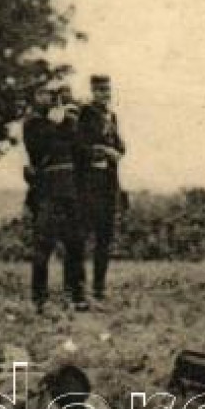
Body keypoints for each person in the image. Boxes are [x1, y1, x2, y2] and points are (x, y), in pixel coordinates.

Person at [21, 85, 86, 311]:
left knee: (75, 243)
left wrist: (72, 119)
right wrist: (66, 120)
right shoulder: (33, 124)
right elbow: (46, 144)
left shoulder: (56, 123)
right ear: (33, 99)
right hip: (47, 192)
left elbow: (76, 146)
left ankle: (75, 295)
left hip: (68, 190)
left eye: (49, 94)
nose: (47, 98)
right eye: (41, 94)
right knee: (43, 245)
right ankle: (39, 299)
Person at [76, 74, 126, 306]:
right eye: (100, 91)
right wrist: (103, 151)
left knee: (105, 237)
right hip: (89, 183)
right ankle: (78, 288)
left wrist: (114, 149)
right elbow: (80, 146)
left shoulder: (111, 116)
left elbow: (121, 146)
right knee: (84, 234)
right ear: (93, 91)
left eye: (107, 91)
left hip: (108, 182)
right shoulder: (86, 114)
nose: (105, 95)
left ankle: (99, 288)